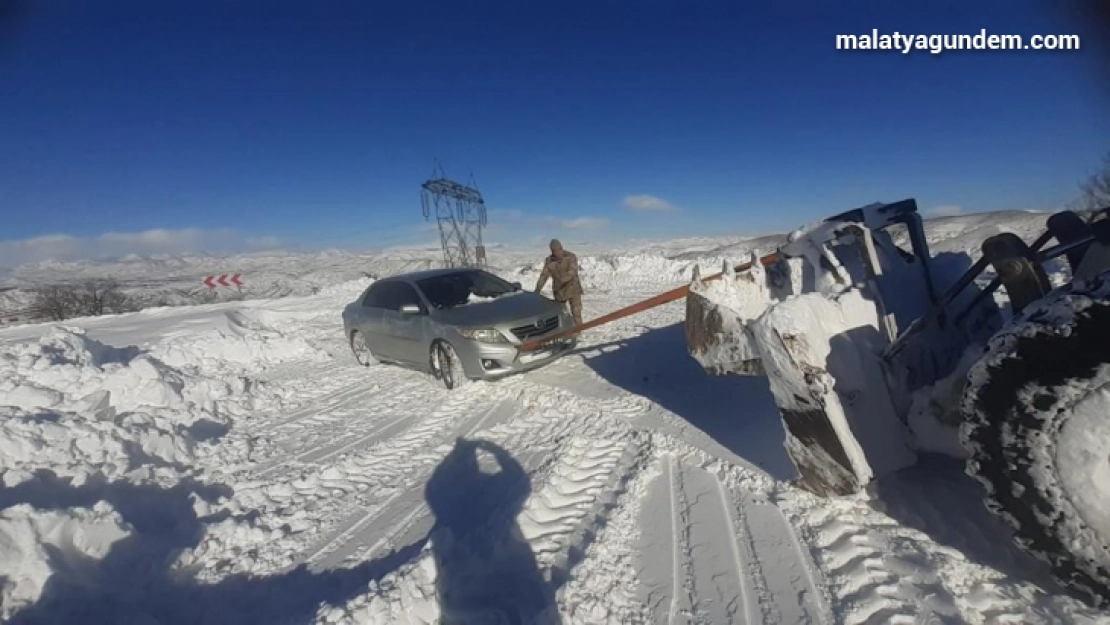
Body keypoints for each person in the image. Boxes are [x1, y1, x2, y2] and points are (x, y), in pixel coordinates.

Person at [534, 238, 583, 326]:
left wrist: (561, 280)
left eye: (559, 249)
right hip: (560, 292)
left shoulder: (571, 257)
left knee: (576, 312)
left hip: (573, 289)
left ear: (562, 248)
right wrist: (537, 289)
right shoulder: (549, 261)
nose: (558, 253)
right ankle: (563, 331)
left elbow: (572, 272)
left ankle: (578, 330)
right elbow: (544, 276)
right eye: (555, 251)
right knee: (560, 314)